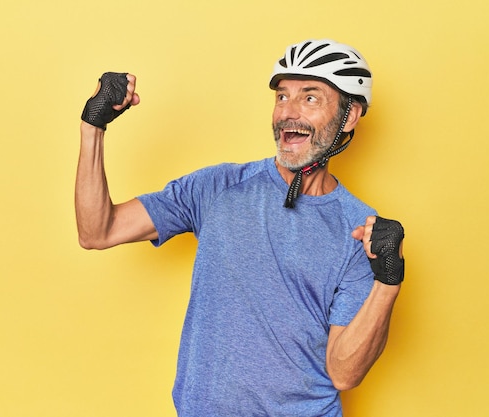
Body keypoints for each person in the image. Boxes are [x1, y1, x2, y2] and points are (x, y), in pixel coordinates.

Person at [75, 39, 405, 417]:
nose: (288, 113)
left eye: (310, 98)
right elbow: (97, 231)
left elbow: (344, 372)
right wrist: (92, 126)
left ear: (349, 116)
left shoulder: (360, 230)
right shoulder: (217, 188)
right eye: (282, 97)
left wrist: (387, 281)